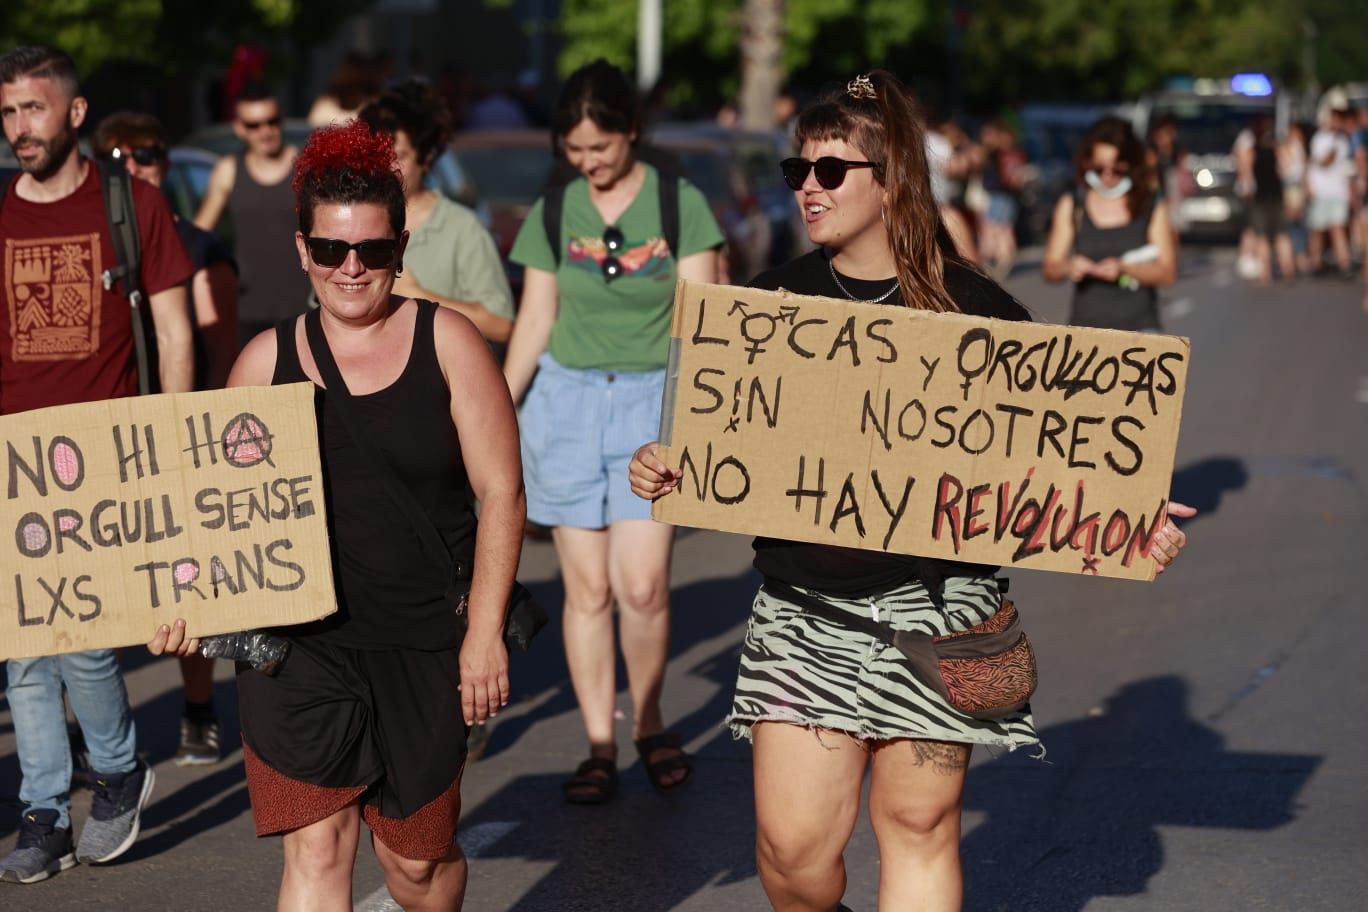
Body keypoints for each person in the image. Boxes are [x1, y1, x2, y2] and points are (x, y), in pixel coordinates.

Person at [628, 70, 1194, 911]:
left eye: (830, 172)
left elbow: (1051, 459)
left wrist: (1125, 521)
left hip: (941, 615)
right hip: (805, 612)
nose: (808, 190)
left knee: (919, 825)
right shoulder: (770, 306)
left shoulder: (978, 312)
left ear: (890, 181)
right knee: (792, 858)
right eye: (798, 172)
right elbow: (715, 444)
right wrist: (667, 466)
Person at [150, 119, 525, 910]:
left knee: (414, 866)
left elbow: (501, 494)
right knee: (317, 853)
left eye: (373, 251)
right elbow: (209, 514)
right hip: (299, 650)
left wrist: (485, 634)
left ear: (401, 246)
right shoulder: (263, 364)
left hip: (423, 641)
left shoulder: (448, 344)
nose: (351, 269)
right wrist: (180, 601)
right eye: (330, 250)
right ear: (301, 250)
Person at [502, 59, 724, 804]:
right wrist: (497, 404)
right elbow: (536, 316)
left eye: (599, 147)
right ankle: (599, 742)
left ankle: (650, 722)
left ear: (631, 132)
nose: (587, 163)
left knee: (644, 584)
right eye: (574, 151)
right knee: (588, 589)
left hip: (650, 407)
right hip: (564, 404)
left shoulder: (678, 201)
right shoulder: (554, 206)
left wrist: (703, 419)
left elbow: (708, 319)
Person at [0, 45, 194, 883]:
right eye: (8, 113)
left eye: (33, 109)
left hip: (103, 456)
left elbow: (178, 331)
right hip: (16, 462)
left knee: (79, 641)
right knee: (23, 652)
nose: (19, 128)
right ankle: (44, 811)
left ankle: (115, 774)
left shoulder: (131, 202)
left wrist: (172, 438)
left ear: (74, 113)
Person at [91, 110, 239, 765]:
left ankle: (199, 707)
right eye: (117, 155)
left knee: (185, 583)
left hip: (180, 428)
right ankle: (95, 728)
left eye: (145, 154)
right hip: (102, 437)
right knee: (98, 585)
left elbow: (220, 345)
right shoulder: (89, 238)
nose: (133, 166)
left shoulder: (199, 246)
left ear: (166, 163)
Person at [358, 82, 515, 343]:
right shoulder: (351, 221)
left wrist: (418, 296)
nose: (384, 167)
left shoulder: (463, 227)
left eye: (398, 156)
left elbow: (500, 325)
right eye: (375, 156)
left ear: (428, 156)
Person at [194, 83, 309, 344]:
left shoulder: (305, 167)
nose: (265, 131)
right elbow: (200, 234)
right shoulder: (228, 170)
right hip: (245, 310)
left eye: (272, 121)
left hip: (304, 306)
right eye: (254, 125)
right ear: (239, 128)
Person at [1042, 116, 1177, 331]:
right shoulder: (1073, 204)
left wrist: (1124, 269)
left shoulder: (1149, 205)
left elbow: (1167, 272)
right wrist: (1070, 266)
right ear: (1086, 162)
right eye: (1099, 169)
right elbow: (1051, 268)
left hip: (1140, 332)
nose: (1107, 176)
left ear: (1131, 165)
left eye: (1117, 170)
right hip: (1085, 331)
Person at [1236, 114, 1295, 285]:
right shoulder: (1277, 147)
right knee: (1281, 235)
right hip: (1277, 196)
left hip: (1260, 199)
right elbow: (1287, 169)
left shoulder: (1252, 149)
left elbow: (1246, 176)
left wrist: (1246, 193)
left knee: (1261, 237)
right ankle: (1288, 269)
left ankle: (1266, 273)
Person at [1306, 108, 1354, 277]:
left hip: (1337, 191)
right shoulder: (1319, 139)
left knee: (1337, 228)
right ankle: (1315, 262)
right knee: (1317, 230)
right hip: (1321, 191)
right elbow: (1323, 162)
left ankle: (1344, 263)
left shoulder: (1343, 141)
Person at [976, 119, 1025, 281]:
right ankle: (1000, 263)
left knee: (1001, 231)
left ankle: (1003, 264)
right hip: (999, 196)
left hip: (1002, 195)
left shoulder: (1005, 154)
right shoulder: (1009, 153)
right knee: (997, 231)